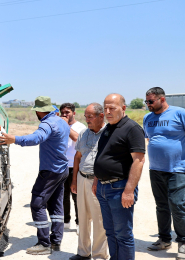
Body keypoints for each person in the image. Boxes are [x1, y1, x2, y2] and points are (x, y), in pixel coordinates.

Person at [0, 96, 69, 255]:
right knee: (56, 205)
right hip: (62, 170)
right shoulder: (61, 121)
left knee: (37, 203)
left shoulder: (47, 123)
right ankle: (56, 241)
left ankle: (44, 243)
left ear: (39, 111)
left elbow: (37, 138)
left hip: (50, 171)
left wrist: (13, 139)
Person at [93, 93, 145, 260]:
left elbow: (139, 161)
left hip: (119, 189)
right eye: (105, 108)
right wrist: (96, 181)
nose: (107, 111)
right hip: (102, 188)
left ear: (123, 108)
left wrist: (129, 190)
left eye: (112, 108)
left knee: (123, 234)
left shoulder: (132, 128)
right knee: (110, 231)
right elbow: (101, 155)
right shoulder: (108, 128)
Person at [143, 87, 185, 259]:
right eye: (146, 101)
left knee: (177, 204)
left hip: (178, 169)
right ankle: (164, 239)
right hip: (155, 169)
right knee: (161, 206)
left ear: (162, 99)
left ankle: (184, 241)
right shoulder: (147, 118)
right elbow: (150, 138)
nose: (148, 104)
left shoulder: (180, 114)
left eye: (151, 101)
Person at [69, 103, 109, 260]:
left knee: (99, 220)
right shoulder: (84, 133)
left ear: (101, 116)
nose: (87, 120)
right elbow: (77, 156)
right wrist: (74, 180)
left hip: (98, 181)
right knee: (83, 217)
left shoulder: (108, 134)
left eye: (90, 116)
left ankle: (99, 255)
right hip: (81, 178)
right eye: (85, 116)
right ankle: (83, 252)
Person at [60, 103, 86, 231]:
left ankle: (79, 223)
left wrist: (65, 126)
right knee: (63, 196)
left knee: (76, 196)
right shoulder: (59, 125)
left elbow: (77, 139)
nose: (65, 115)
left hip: (75, 166)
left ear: (74, 113)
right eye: (62, 112)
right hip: (62, 166)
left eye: (67, 112)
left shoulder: (80, 127)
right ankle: (65, 221)